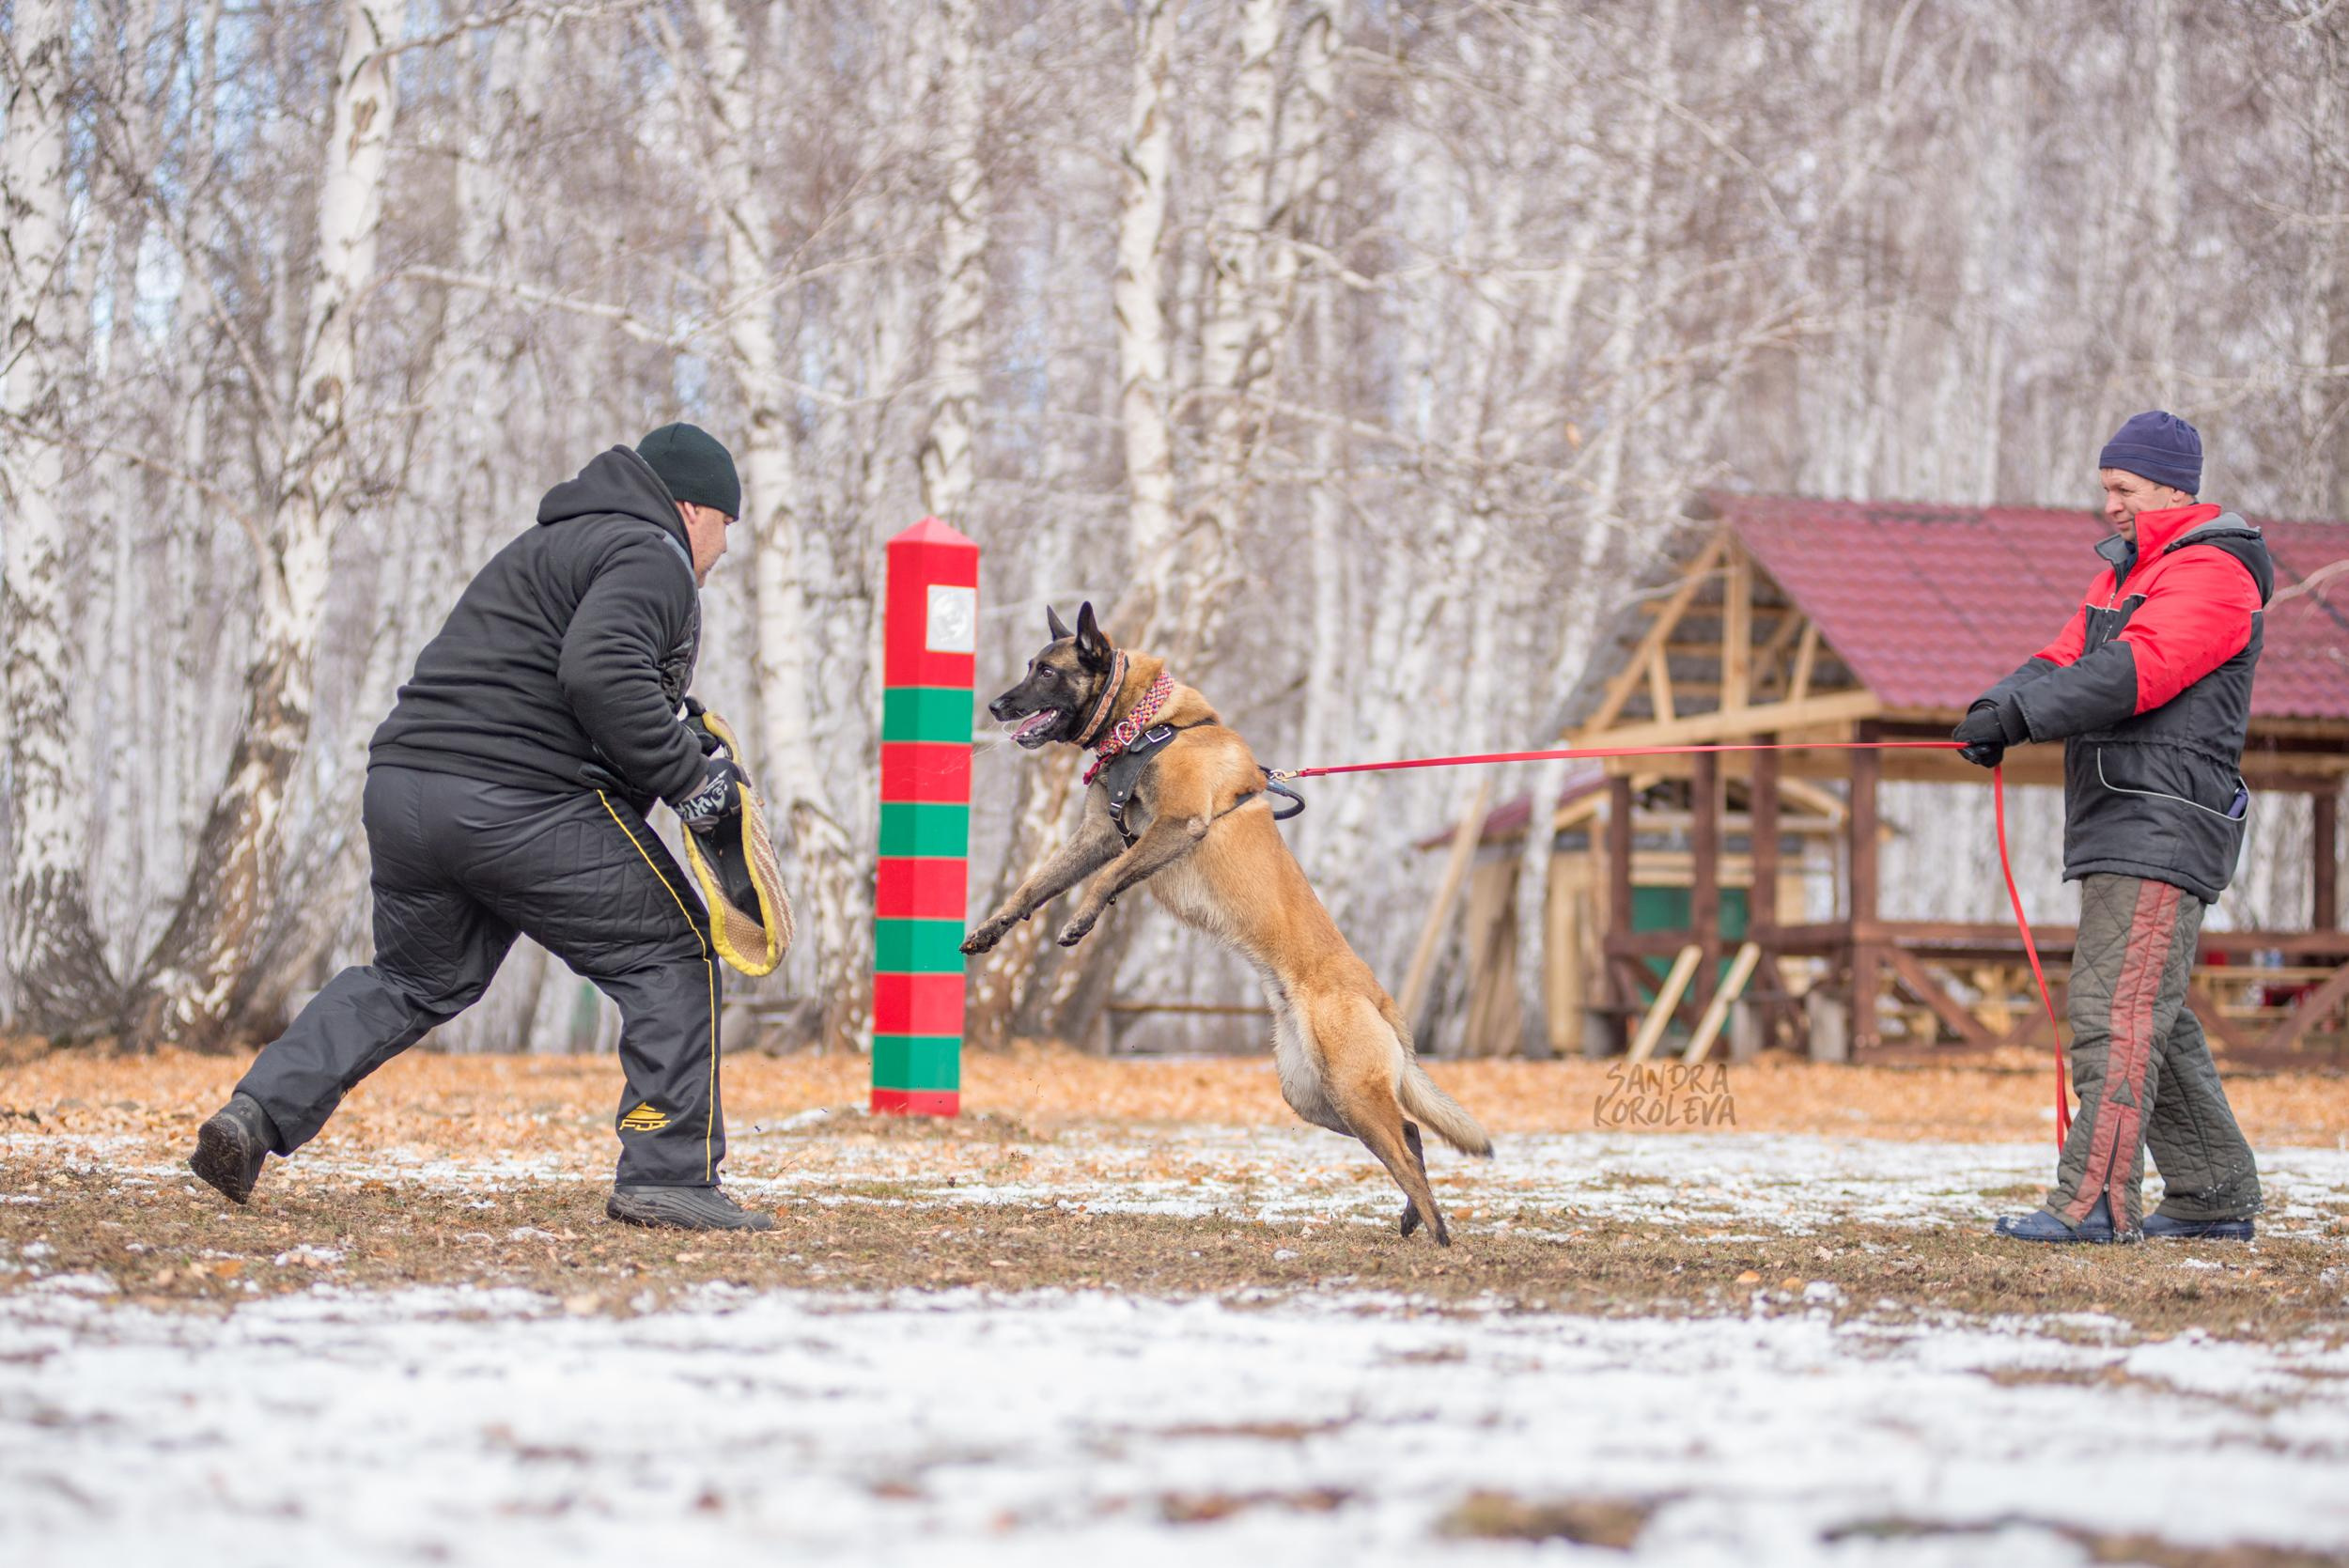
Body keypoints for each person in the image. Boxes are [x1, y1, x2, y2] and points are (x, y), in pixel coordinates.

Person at [188, 424, 773, 1232]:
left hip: (407, 791)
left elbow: (560, 681)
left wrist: (675, 729)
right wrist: (691, 779)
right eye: (724, 528)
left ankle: (253, 1115)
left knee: (412, 980)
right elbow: (600, 673)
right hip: (516, 801)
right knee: (670, 953)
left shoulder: (552, 545)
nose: (722, 551)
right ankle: (670, 1174)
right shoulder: (652, 552)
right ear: (690, 507)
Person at [1955, 411, 2268, 1244]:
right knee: (2150, 1010)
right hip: (2124, 812)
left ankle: (2095, 1199)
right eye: (2106, 489)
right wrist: (1995, 706)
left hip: (2163, 818)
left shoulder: (2213, 572)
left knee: (2114, 1012)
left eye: (2122, 489)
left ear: (2172, 486)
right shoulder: (2132, 575)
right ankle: (2212, 1192)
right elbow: (2067, 659)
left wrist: (2021, 716)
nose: (2110, 505)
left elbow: (2136, 671)